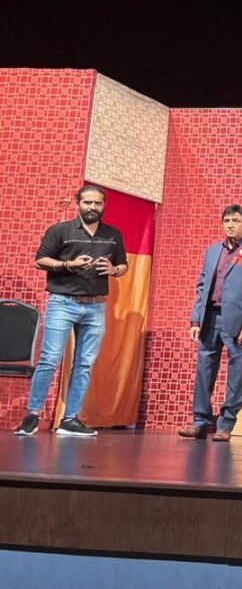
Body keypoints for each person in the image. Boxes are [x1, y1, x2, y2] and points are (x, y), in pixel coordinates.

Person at [15, 185, 128, 437]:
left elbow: (123, 265)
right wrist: (69, 264)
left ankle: (70, 419)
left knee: (85, 364)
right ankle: (32, 415)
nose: (92, 207)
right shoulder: (60, 230)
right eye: (87, 202)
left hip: (96, 305)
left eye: (98, 203)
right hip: (63, 303)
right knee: (50, 359)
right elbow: (40, 260)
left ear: (104, 205)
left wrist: (113, 270)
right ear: (78, 204)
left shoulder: (113, 234)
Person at [179, 205, 242, 442]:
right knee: (204, 370)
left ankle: (227, 423)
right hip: (210, 318)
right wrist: (196, 319)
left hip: (239, 322)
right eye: (227, 221)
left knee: (237, 373)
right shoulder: (213, 250)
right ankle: (200, 421)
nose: (230, 225)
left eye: (236, 221)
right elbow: (202, 286)